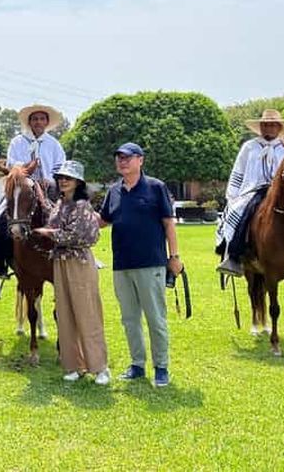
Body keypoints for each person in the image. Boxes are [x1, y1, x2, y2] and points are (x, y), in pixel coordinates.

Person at [99, 142, 181, 388]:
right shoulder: (113, 191)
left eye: (127, 157)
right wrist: (74, 208)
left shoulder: (156, 188)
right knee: (129, 318)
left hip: (150, 264)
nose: (122, 161)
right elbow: (102, 221)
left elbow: (168, 224)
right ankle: (137, 364)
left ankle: (161, 367)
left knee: (156, 318)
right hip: (121, 266)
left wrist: (174, 256)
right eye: (119, 158)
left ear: (140, 160)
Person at [34, 160, 110, 385]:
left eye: (68, 178)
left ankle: (100, 368)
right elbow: (55, 223)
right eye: (60, 177)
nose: (63, 181)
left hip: (79, 262)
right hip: (60, 262)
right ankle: (74, 365)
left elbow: (77, 236)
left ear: (78, 182)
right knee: (65, 314)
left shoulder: (82, 205)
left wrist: (49, 233)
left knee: (87, 313)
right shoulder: (59, 203)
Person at [0, 104, 66, 278]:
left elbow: (60, 167)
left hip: (49, 187)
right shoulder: (17, 142)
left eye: (42, 119)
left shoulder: (54, 144)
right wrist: (28, 168)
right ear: (29, 122)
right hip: (21, 187)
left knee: (70, 214)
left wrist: (48, 179)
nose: (38, 122)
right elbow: (12, 165)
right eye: (35, 119)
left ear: (47, 122)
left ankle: (83, 258)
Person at [216, 109, 284, 276]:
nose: (269, 128)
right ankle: (234, 255)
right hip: (255, 190)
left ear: (279, 128)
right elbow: (238, 171)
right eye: (265, 125)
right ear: (260, 127)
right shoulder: (249, 147)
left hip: (283, 191)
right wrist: (233, 195)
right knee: (242, 212)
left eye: (272, 125)